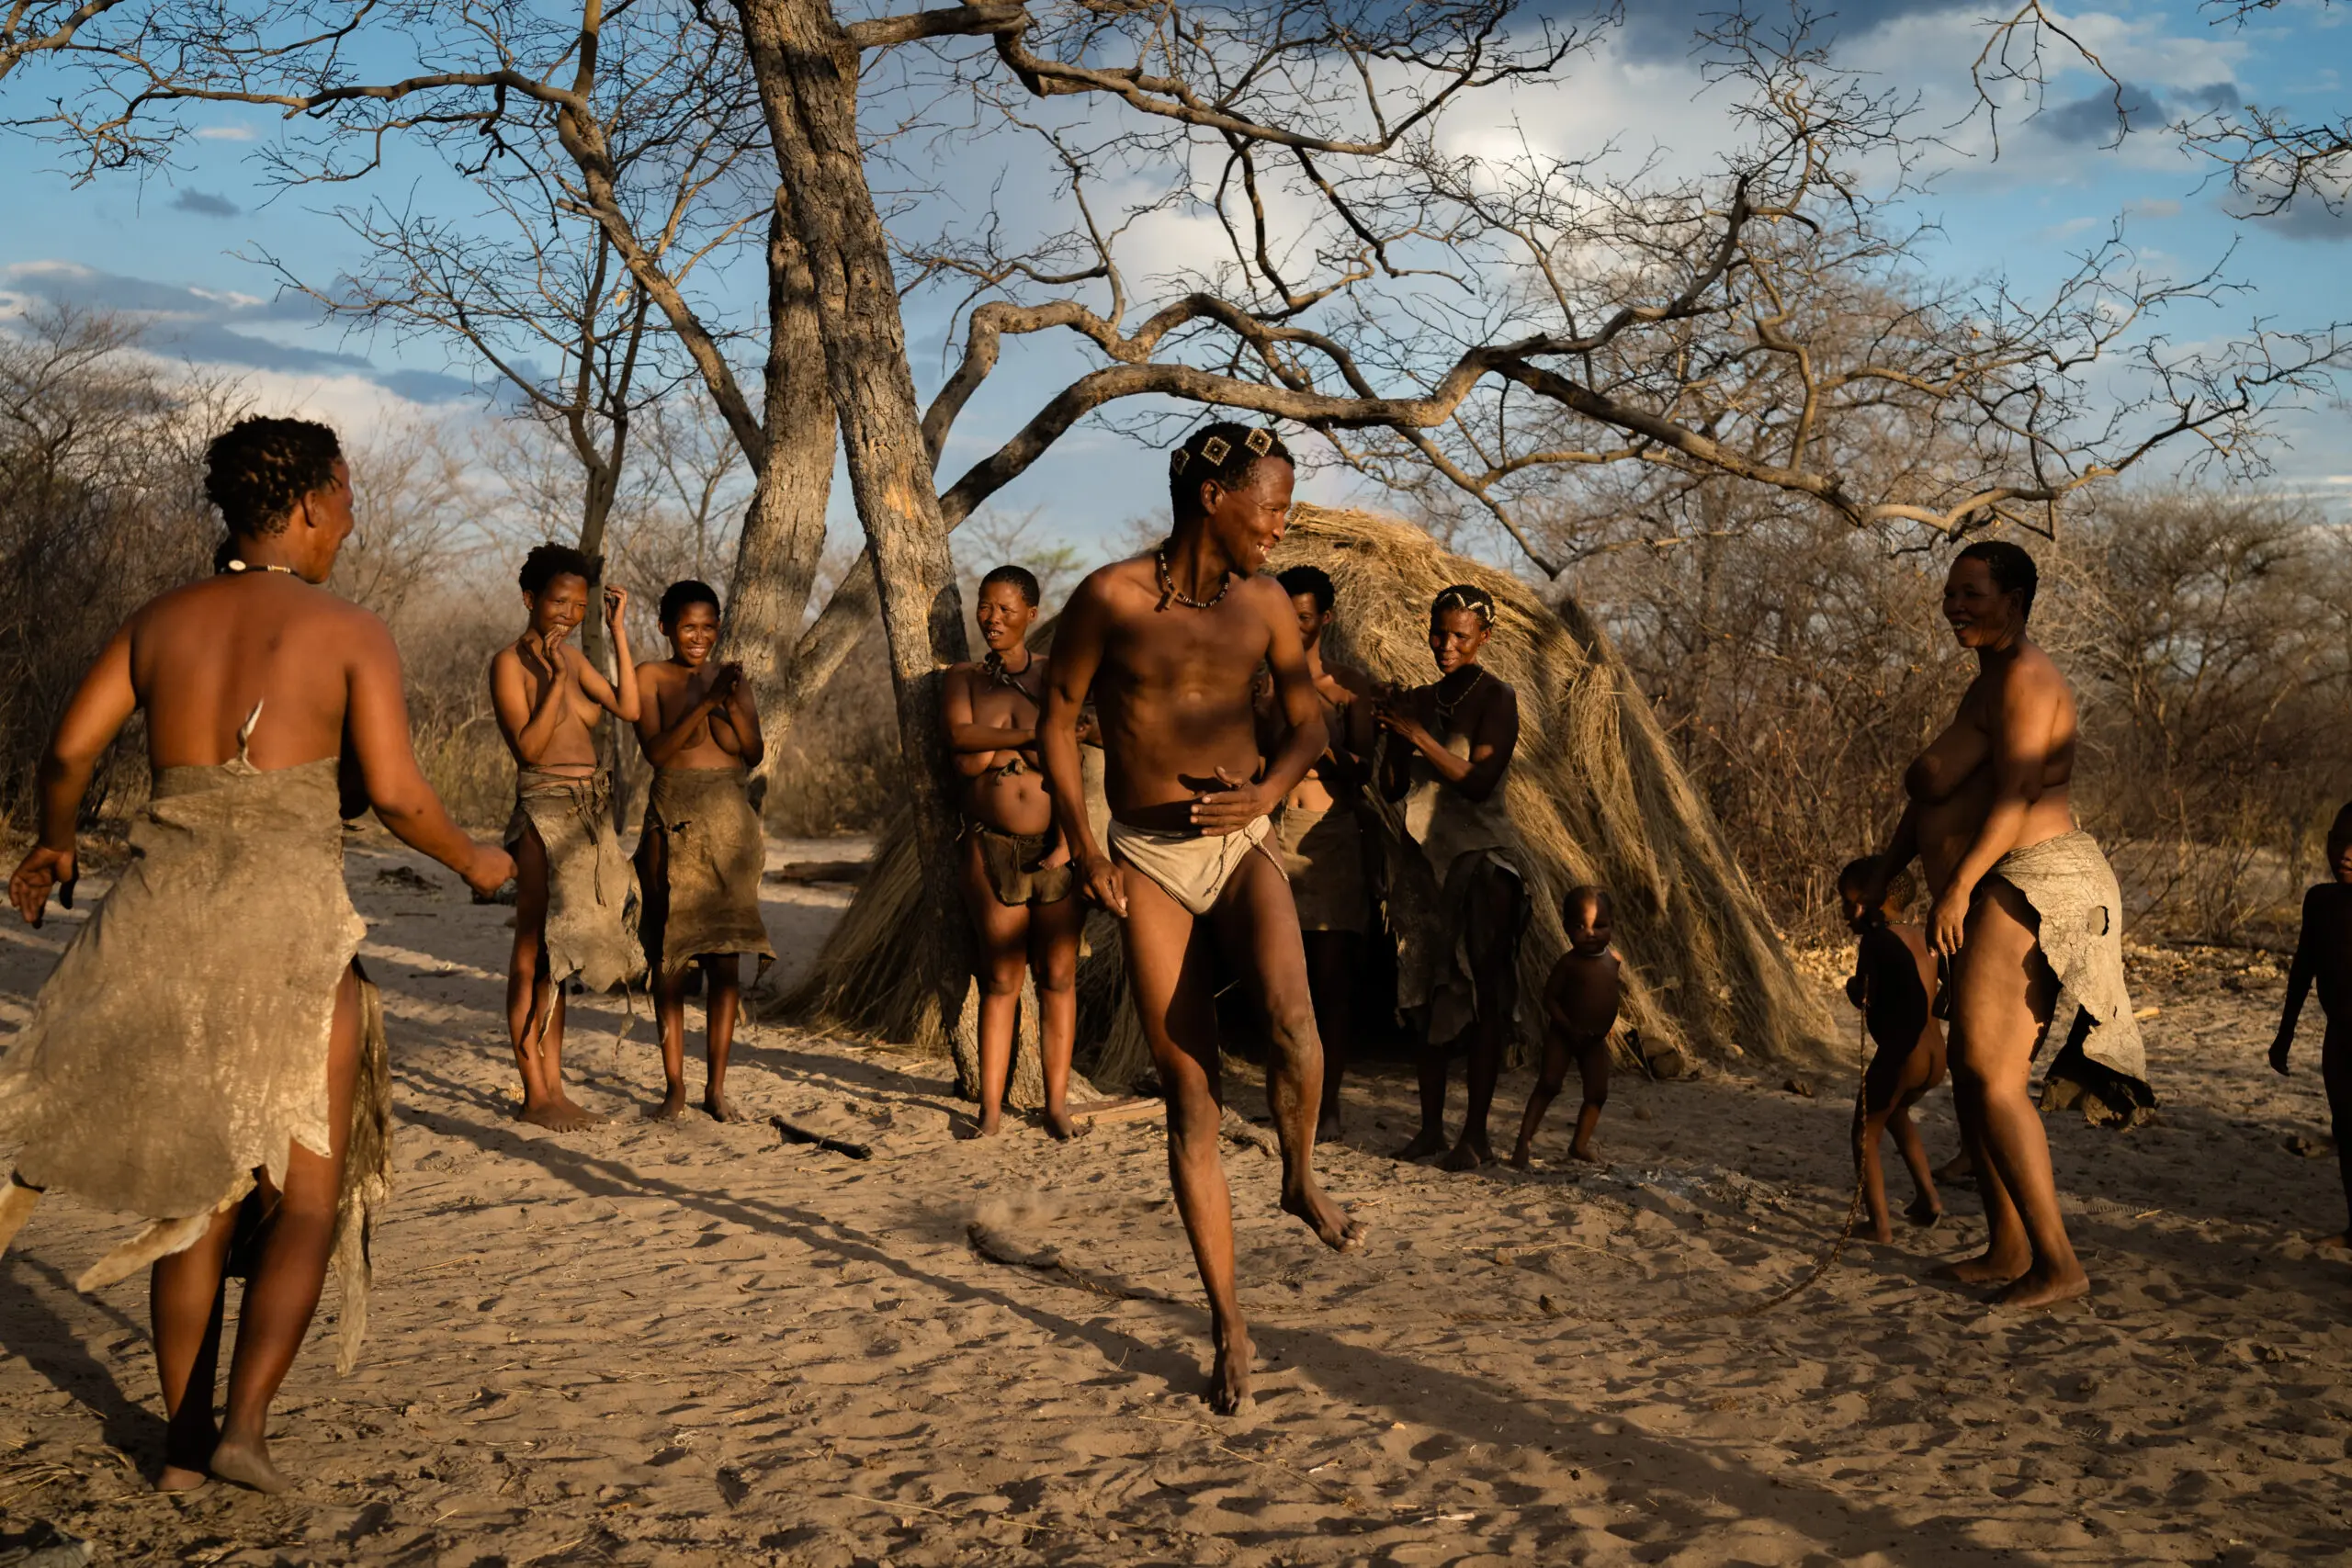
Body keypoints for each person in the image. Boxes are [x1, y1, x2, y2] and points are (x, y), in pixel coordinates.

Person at [0, 416, 513, 1493]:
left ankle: (182, 1452)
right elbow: (399, 793)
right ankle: (243, 1428)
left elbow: (68, 751)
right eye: (348, 500)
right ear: (313, 501)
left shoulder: (160, 621)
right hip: (289, 940)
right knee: (310, 1198)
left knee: (195, 1200)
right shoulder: (349, 629)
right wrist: (478, 863)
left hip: (160, 931)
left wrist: (55, 840)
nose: (352, 521)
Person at [1038, 421, 1363, 1416]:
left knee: (1296, 1028)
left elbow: (1308, 722)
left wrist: (1267, 791)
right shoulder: (1109, 598)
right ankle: (1228, 1320)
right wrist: (1085, 846)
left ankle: (1298, 1177)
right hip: (1145, 857)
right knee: (1193, 1095)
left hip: (1240, 839)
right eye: (1272, 507)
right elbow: (1057, 718)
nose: (1281, 526)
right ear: (1214, 499)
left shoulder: (1264, 605)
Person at [1862, 540, 2148, 1308]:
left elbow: (2019, 795)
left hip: (2032, 881)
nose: (1955, 606)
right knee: (1970, 1071)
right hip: (1990, 882)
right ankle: (2007, 1247)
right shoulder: (1985, 681)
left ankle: (2058, 1262)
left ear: (2015, 600)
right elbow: (1932, 795)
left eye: (1973, 593)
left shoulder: (2026, 677)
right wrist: (1888, 868)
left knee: (1993, 1075)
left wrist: (1956, 887)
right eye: (1950, 593)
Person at [490, 543, 645, 1131]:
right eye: (559, 602)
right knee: (531, 953)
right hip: (543, 812)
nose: (569, 615)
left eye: (579, 606)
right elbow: (529, 748)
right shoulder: (509, 664)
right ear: (530, 599)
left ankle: (555, 1089)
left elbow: (629, 708)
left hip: (589, 813)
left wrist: (618, 631)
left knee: (561, 960)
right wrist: (554, 679)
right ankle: (534, 1093)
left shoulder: (577, 659)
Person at [1379, 582, 1529, 1171]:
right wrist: (1394, 733)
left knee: (1486, 995)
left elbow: (1480, 782)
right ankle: (1429, 1130)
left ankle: (1477, 1136)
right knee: (1424, 993)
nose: (1446, 645)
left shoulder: (1497, 697)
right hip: (1423, 862)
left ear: (1484, 637)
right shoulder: (1420, 699)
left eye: (1460, 636)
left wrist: (1416, 734)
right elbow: (1393, 787)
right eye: (1438, 633)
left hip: (1480, 859)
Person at [941, 564, 1085, 1139]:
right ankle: (991, 1111)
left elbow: (1082, 743)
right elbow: (961, 740)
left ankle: (1056, 1106)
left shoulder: (1053, 676)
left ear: (1032, 614)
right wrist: (1032, 737)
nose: (992, 618)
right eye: (985, 605)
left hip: (1056, 846)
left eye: (1005, 609)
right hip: (990, 844)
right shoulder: (963, 678)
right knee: (1000, 979)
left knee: (1057, 975)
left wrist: (999, 749)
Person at [632, 580, 775, 1123]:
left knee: (725, 960)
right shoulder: (651, 676)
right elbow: (658, 751)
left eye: (709, 627)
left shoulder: (731, 678)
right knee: (669, 958)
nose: (699, 637)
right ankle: (674, 1088)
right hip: (673, 819)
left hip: (731, 828)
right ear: (665, 627)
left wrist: (726, 704)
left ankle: (715, 1089)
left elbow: (752, 751)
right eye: (688, 627)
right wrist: (706, 704)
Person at [1267, 565, 1378, 1142]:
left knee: (1330, 979)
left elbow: (1363, 771)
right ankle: (1286, 1098)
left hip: (1329, 836)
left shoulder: (1348, 686)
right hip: (1271, 830)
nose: (1294, 626)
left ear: (1325, 619)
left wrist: (1319, 740)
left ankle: (1326, 1104)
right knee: (1279, 976)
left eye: (1304, 618)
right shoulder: (1260, 683)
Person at [1838, 856, 1948, 1241]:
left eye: (1849, 902)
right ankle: (1929, 1199)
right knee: (1896, 1112)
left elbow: (1865, 995)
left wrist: (1853, 988)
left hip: (1903, 1053)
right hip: (1935, 1057)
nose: (1845, 913)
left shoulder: (1876, 940)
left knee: (1863, 1132)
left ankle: (1879, 1225)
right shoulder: (1923, 936)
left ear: (1872, 900)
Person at [2267, 801, 2352, 1253]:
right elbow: (2304, 968)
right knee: (2346, 1132)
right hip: (2340, 1038)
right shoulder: (2320, 901)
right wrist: (2286, 1033)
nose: (2345, 853)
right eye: (2338, 841)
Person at [1510, 886, 1621, 1168]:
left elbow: (1608, 992)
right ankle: (1524, 1140)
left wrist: (1606, 1021)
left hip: (1594, 1040)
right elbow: (1550, 998)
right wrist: (1568, 1027)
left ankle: (1579, 1144)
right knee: (1549, 1084)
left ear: (1612, 925)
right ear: (1566, 929)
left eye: (1600, 926)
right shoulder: (1569, 964)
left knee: (1597, 1093)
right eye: (1581, 927)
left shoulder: (1614, 961)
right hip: (1564, 1034)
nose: (1591, 933)